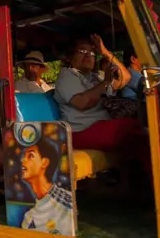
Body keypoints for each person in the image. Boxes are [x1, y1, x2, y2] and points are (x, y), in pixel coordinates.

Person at [54, 35, 149, 163]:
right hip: (82, 131)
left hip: (102, 126)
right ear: (70, 57)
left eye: (92, 52)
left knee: (144, 129)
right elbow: (83, 103)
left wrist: (105, 52)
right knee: (135, 130)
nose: (88, 55)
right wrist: (105, 82)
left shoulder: (96, 76)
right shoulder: (67, 75)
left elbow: (125, 78)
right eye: (82, 51)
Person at [20, 139, 73, 235]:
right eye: (24, 156)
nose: (23, 160)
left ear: (44, 162)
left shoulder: (67, 202)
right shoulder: (28, 218)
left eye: (30, 156)